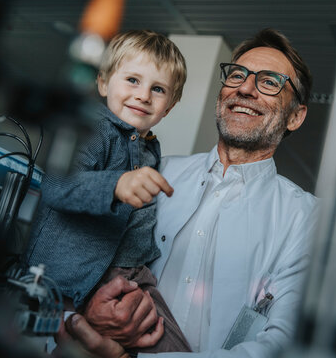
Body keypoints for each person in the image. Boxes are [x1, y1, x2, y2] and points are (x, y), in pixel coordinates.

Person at [62, 28, 318, 358]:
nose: (245, 87)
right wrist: (85, 309)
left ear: (295, 116)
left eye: (269, 82)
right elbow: (84, 248)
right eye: (237, 75)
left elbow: (281, 343)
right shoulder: (152, 172)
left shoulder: (306, 218)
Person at [24, 30, 192, 353]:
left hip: (131, 274)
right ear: (103, 83)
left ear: (168, 107)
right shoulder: (95, 130)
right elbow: (58, 186)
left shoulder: (150, 149)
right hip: (76, 276)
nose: (143, 95)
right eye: (132, 80)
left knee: (173, 348)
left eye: (157, 89)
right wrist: (116, 184)